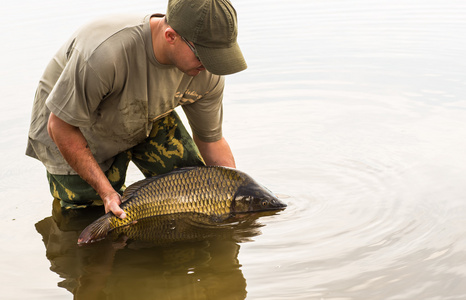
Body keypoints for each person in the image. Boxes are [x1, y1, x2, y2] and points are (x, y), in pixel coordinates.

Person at [26, 0, 247, 219]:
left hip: (145, 114)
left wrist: (238, 194)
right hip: (73, 125)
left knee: (196, 192)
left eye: (217, 58)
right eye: (204, 56)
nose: (210, 66)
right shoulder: (104, 54)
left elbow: (211, 141)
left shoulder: (208, 72)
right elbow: (59, 126)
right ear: (170, 36)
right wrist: (107, 193)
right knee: (95, 219)